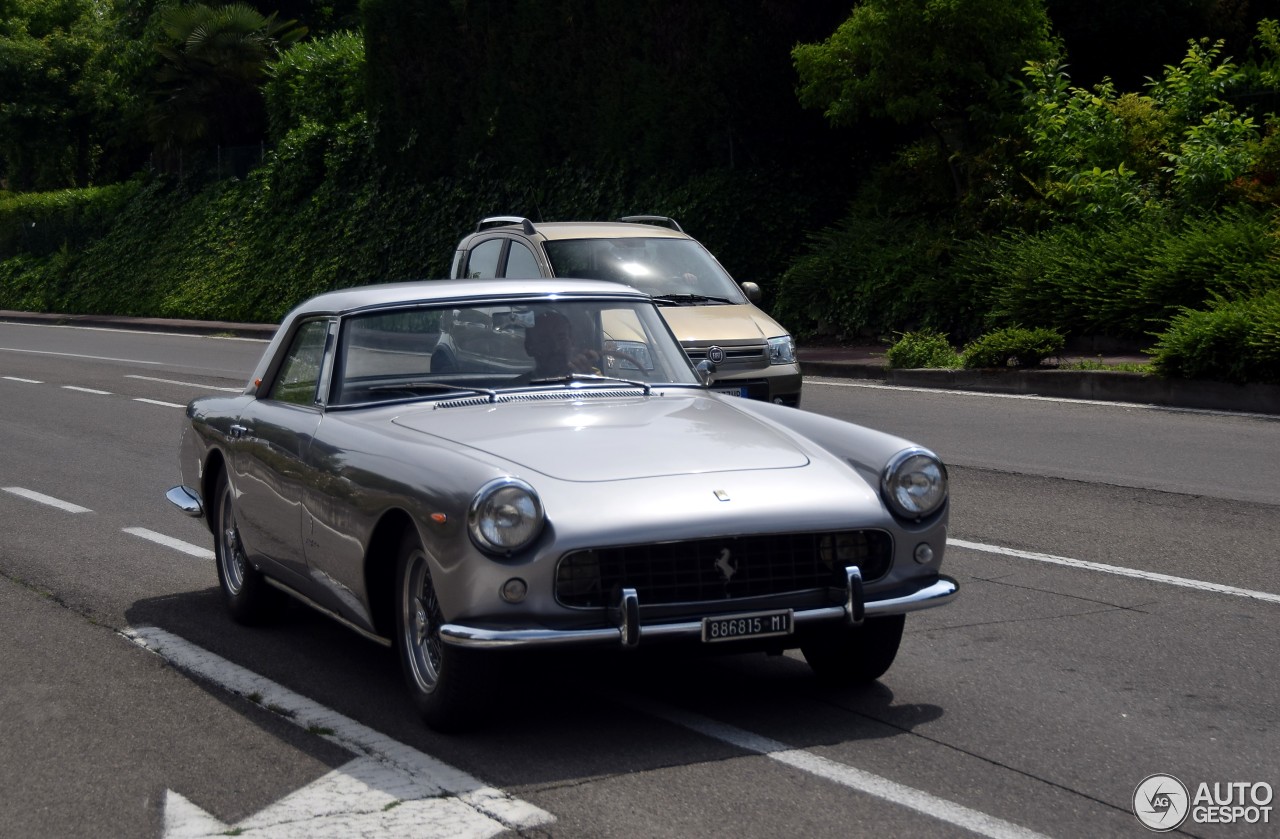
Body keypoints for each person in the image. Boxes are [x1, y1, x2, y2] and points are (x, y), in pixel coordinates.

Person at [517, 309, 599, 381]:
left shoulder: (596, 380)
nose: (556, 347)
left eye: (561, 338)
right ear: (529, 347)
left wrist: (587, 379)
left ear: (572, 342)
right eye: (545, 340)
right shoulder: (515, 390)